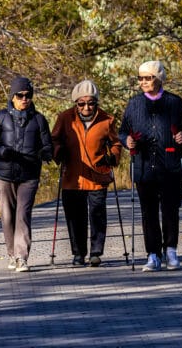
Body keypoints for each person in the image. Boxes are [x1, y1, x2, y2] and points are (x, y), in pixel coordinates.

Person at [119, 61, 182, 271]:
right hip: (144, 167)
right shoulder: (134, 104)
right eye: (141, 78)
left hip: (170, 165)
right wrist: (127, 141)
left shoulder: (174, 102)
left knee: (170, 209)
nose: (144, 82)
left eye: (148, 78)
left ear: (159, 78)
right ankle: (153, 254)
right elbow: (123, 131)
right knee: (148, 212)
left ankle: (171, 250)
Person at [0, 76, 53, 272]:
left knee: (23, 215)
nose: (25, 99)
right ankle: (11, 253)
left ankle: (21, 258)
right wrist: (2, 152)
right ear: (12, 96)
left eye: (28, 95)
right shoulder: (1, 117)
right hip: (4, 174)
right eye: (20, 95)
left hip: (29, 175)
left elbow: (48, 145)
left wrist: (45, 153)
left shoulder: (39, 120)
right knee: (7, 216)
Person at [51, 80, 123, 267]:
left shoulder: (107, 119)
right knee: (75, 217)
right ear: (76, 103)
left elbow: (116, 143)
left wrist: (112, 157)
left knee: (97, 214)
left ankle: (96, 252)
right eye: (81, 103)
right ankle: (78, 253)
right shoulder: (65, 118)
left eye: (90, 103)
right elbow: (54, 140)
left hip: (98, 176)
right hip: (72, 177)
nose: (86, 107)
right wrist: (59, 151)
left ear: (96, 102)